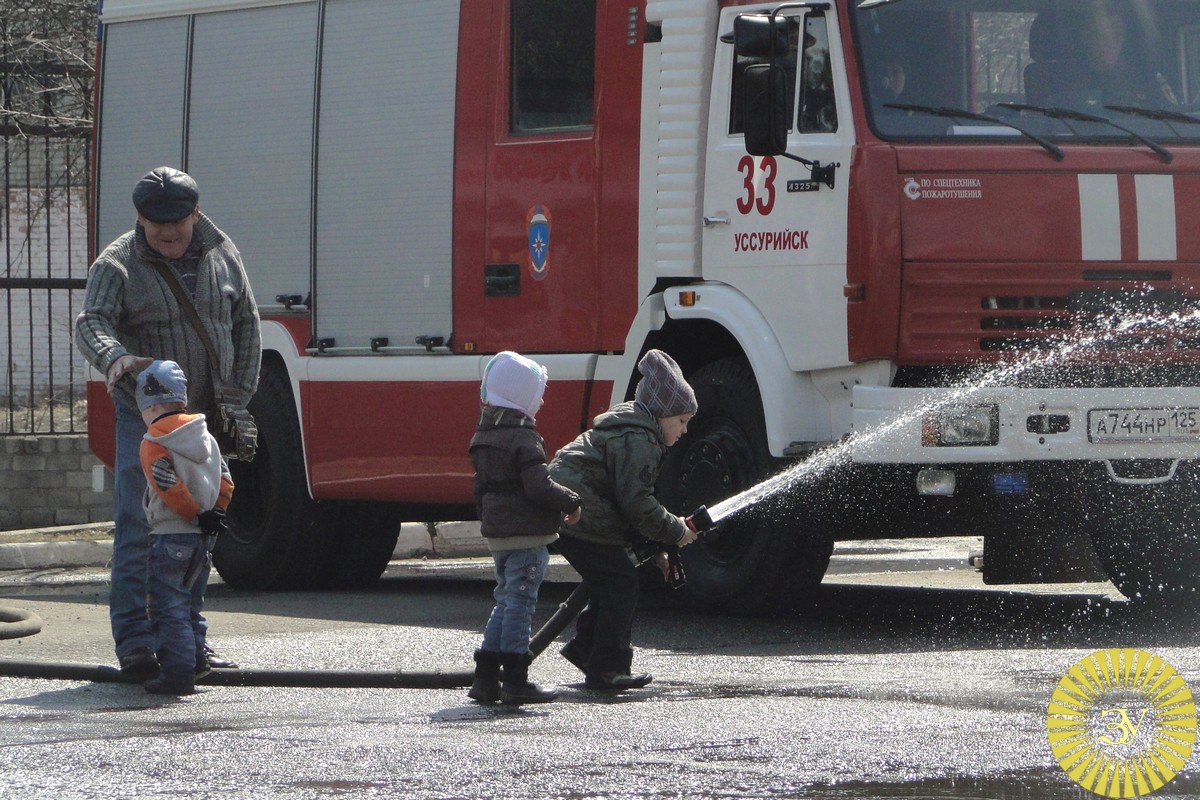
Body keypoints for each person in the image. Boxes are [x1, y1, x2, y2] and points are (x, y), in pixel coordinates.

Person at [75, 167, 261, 680]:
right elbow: (91, 320)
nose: (168, 235)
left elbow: (246, 324)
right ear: (139, 218)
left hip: (205, 419)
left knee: (200, 530)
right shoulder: (117, 263)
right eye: (157, 227)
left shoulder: (224, 255)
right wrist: (113, 357)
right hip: (147, 421)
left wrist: (237, 398)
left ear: (194, 214)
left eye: (177, 224)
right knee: (141, 530)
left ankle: (187, 640)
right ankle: (136, 643)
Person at [548, 349, 700, 691]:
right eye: (681, 421)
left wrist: (653, 550)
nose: (684, 430)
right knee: (621, 584)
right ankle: (607, 668)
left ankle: (588, 649)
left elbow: (623, 503)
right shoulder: (641, 440)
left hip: (571, 510)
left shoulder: (633, 431)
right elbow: (637, 504)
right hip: (581, 514)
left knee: (611, 577)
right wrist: (675, 532)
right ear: (661, 415)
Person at [467, 352, 583, 705]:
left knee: (505, 601)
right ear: (522, 398)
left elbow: (479, 490)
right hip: (528, 537)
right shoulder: (524, 438)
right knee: (521, 604)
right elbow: (538, 487)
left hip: (499, 536)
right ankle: (517, 677)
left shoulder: (483, 436)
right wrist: (572, 501)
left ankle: (485, 677)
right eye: (537, 393)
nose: (542, 400)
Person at [134, 360, 233, 695]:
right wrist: (213, 513)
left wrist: (191, 513)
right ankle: (197, 660)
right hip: (204, 539)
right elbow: (226, 481)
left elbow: (167, 484)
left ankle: (177, 675)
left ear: (153, 405)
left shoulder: (153, 441)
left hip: (170, 535)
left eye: (143, 408)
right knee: (191, 603)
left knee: (166, 608)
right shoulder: (206, 438)